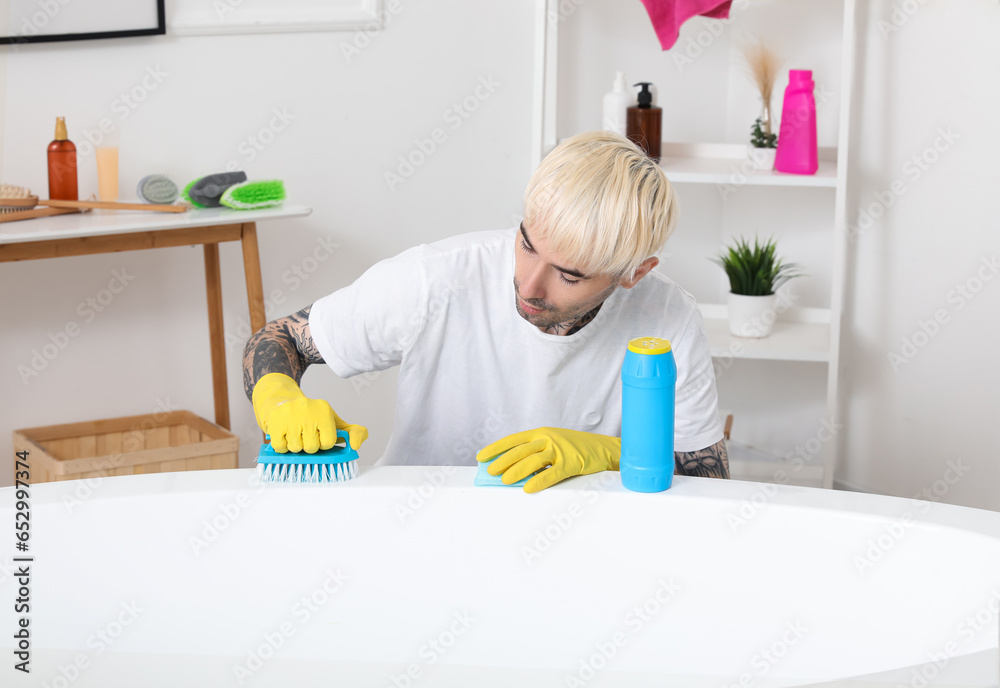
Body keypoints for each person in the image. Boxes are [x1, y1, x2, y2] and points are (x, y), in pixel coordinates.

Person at [243, 131, 728, 493]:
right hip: (418, 524)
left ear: (634, 273)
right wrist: (279, 397)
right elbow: (279, 339)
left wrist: (610, 456)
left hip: (581, 540)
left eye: (569, 275)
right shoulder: (438, 279)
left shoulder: (668, 319)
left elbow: (711, 475)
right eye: (527, 244)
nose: (529, 284)